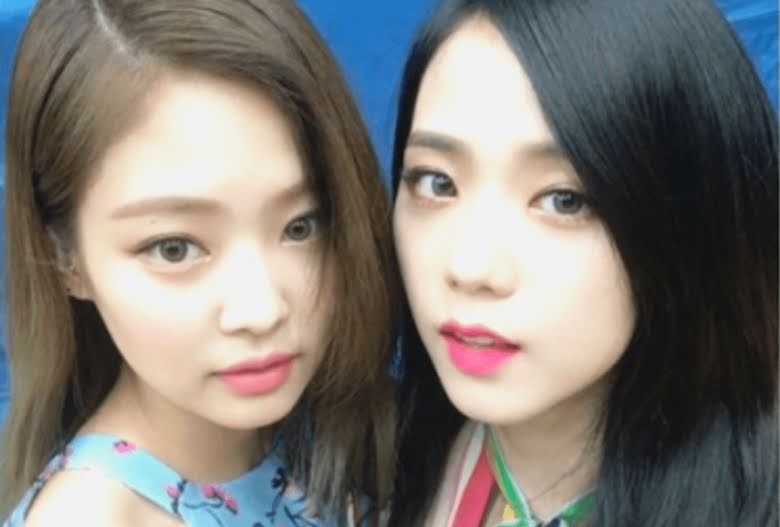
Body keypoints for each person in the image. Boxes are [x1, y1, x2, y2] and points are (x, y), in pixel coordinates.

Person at [0, 1, 398, 525]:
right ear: (66, 260)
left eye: (301, 226)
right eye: (174, 248)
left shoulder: (333, 429)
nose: (261, 311)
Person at [389, 0, 778, 525]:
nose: (471, 268)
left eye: (564, 200)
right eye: (437, 182)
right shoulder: (364, 474)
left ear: (691, 217)